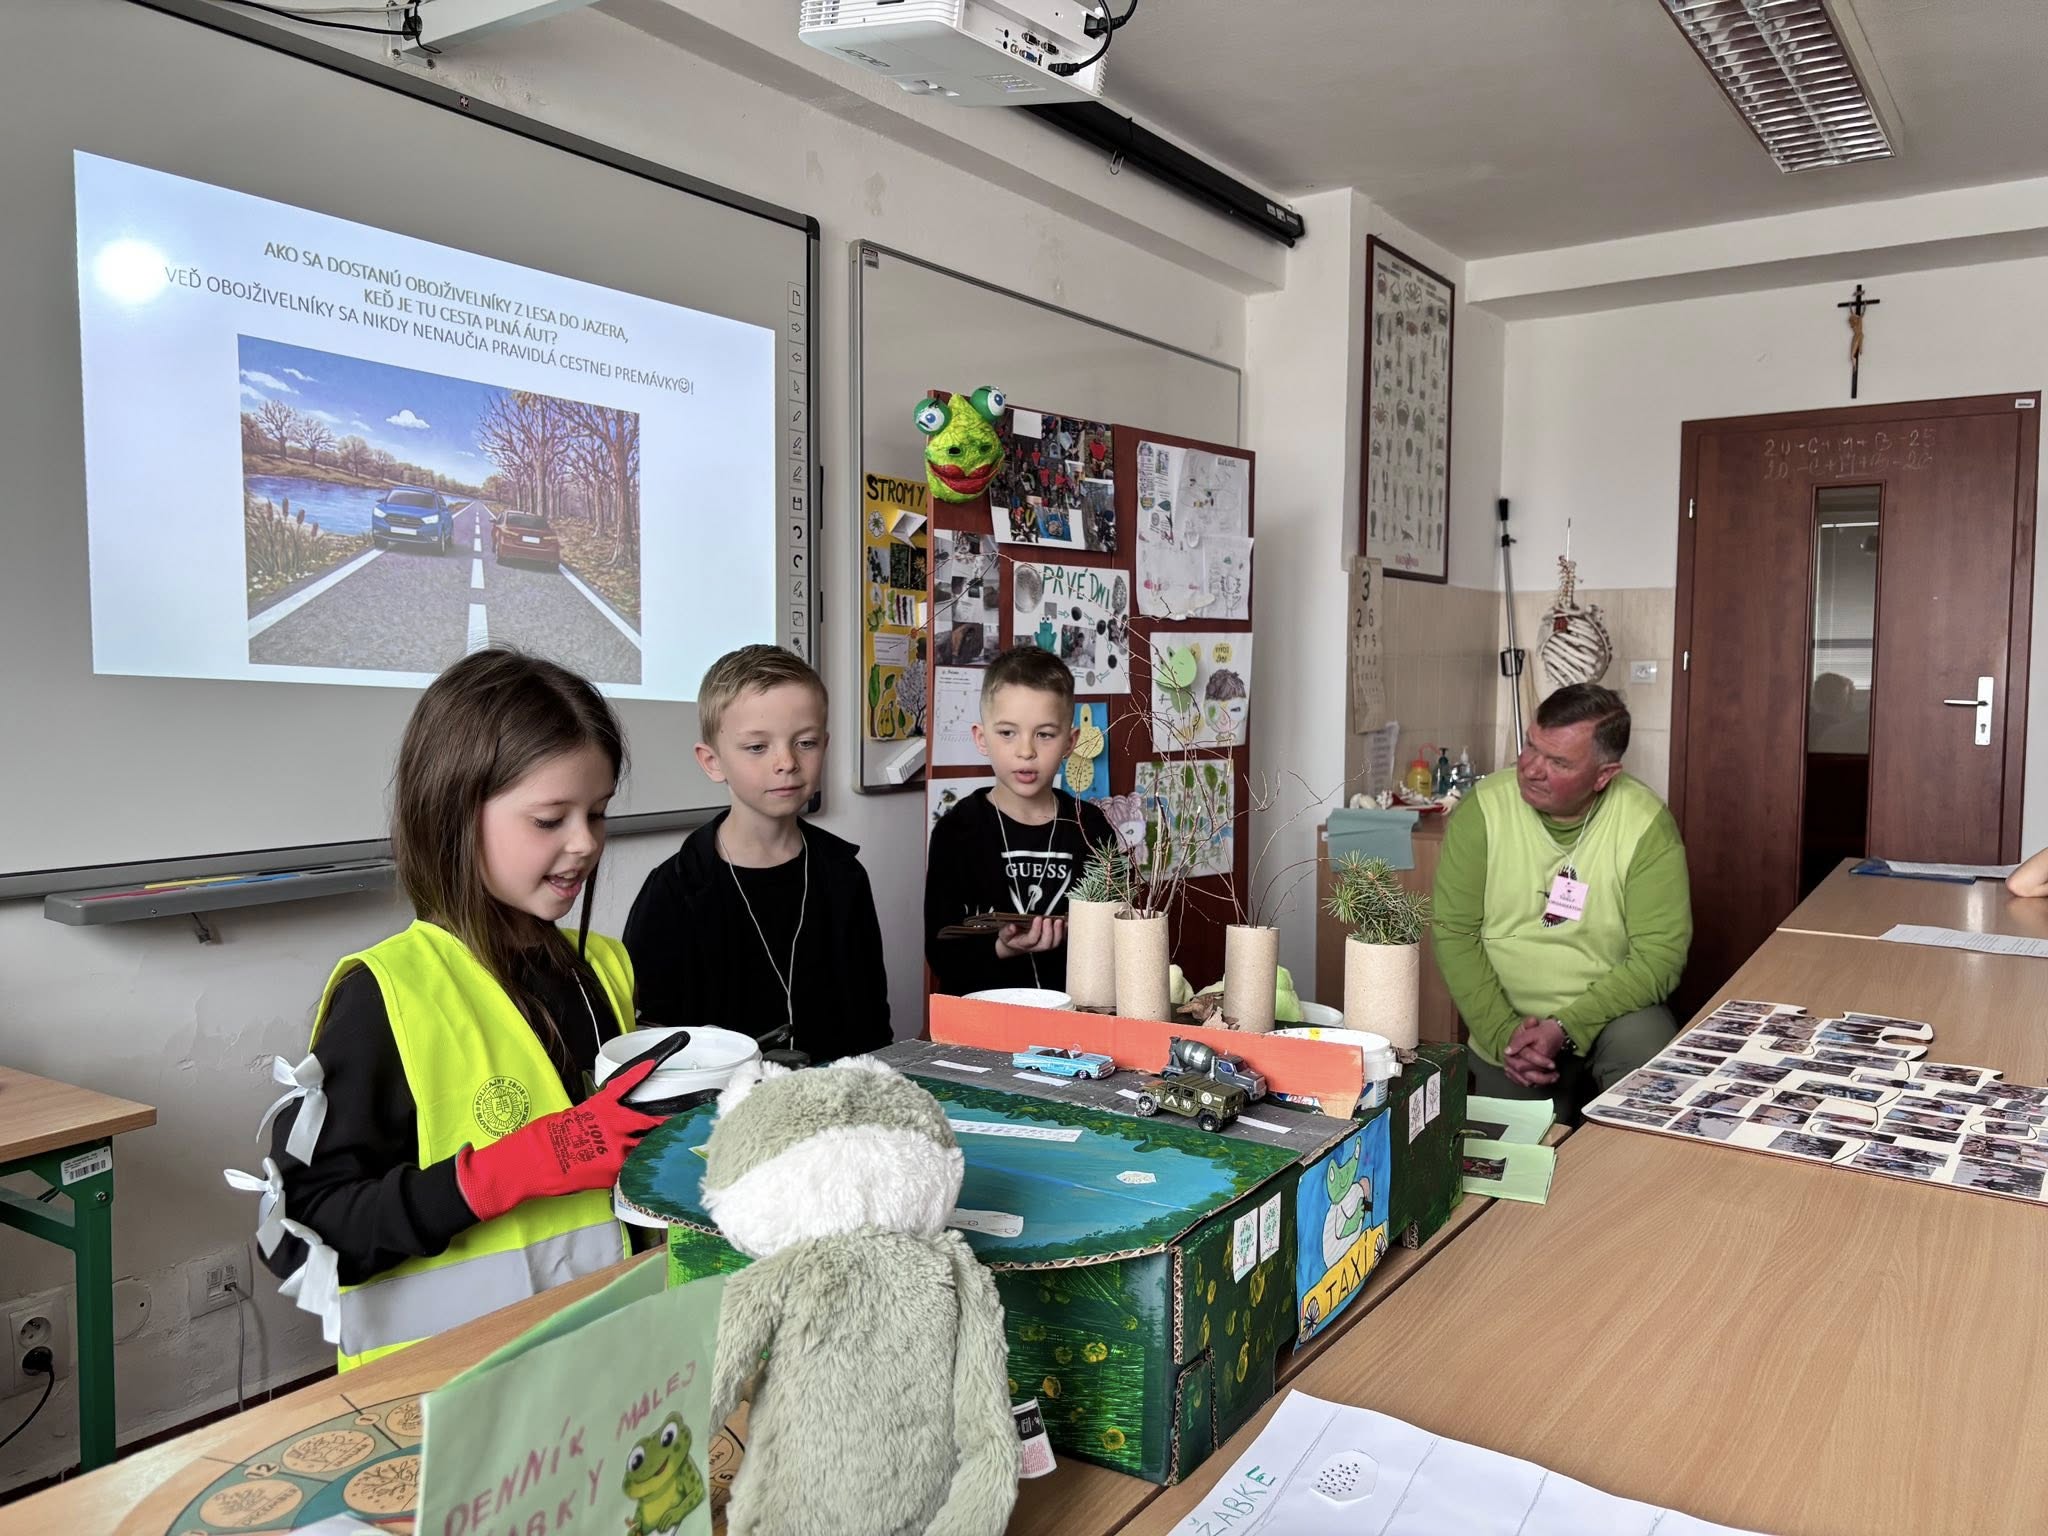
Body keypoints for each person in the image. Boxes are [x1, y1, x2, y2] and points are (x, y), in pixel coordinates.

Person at [247, 649, 667, 1369]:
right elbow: (296, 1236)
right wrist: (512, 1168)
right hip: (442, 1397)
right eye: (549, 819)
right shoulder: (387, 995)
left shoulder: (606, 967)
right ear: (452, 814)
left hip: (597, 1362)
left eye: (597, 813)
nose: (585, 843)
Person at [1431, 683, 1692, 1112]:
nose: (1531, 769)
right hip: (1510, 1020)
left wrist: (1567, 1026)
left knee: (1649, 1052)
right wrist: (1503, 1035)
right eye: (1531, 746)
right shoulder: (1483, 809)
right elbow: (1454, 933)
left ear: (1604, 775)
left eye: (1558, 762)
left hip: (1613, 1014)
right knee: (1508, 1145)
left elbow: (1660, 956)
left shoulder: (1645, 823)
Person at [625, 645, 889, 1061]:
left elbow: (872, 1022)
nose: (786, 762)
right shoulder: (674, 889)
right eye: (756, 747)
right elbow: (651, 1039)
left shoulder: (844, 874)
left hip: (840, 1094)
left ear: (825, 745)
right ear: (712, 762)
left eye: (805, 742)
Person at [924, 646, 1114, 996]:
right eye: (1007, 733)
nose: (1026, 751)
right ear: (982, 738)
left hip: (1074, 1018)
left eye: (1045, 734)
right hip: (979, 1019)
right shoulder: (957, 831)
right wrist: (1001, 947)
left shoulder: (1092, 827)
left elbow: (1118, 938)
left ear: (1070, 742)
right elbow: (940, 952)